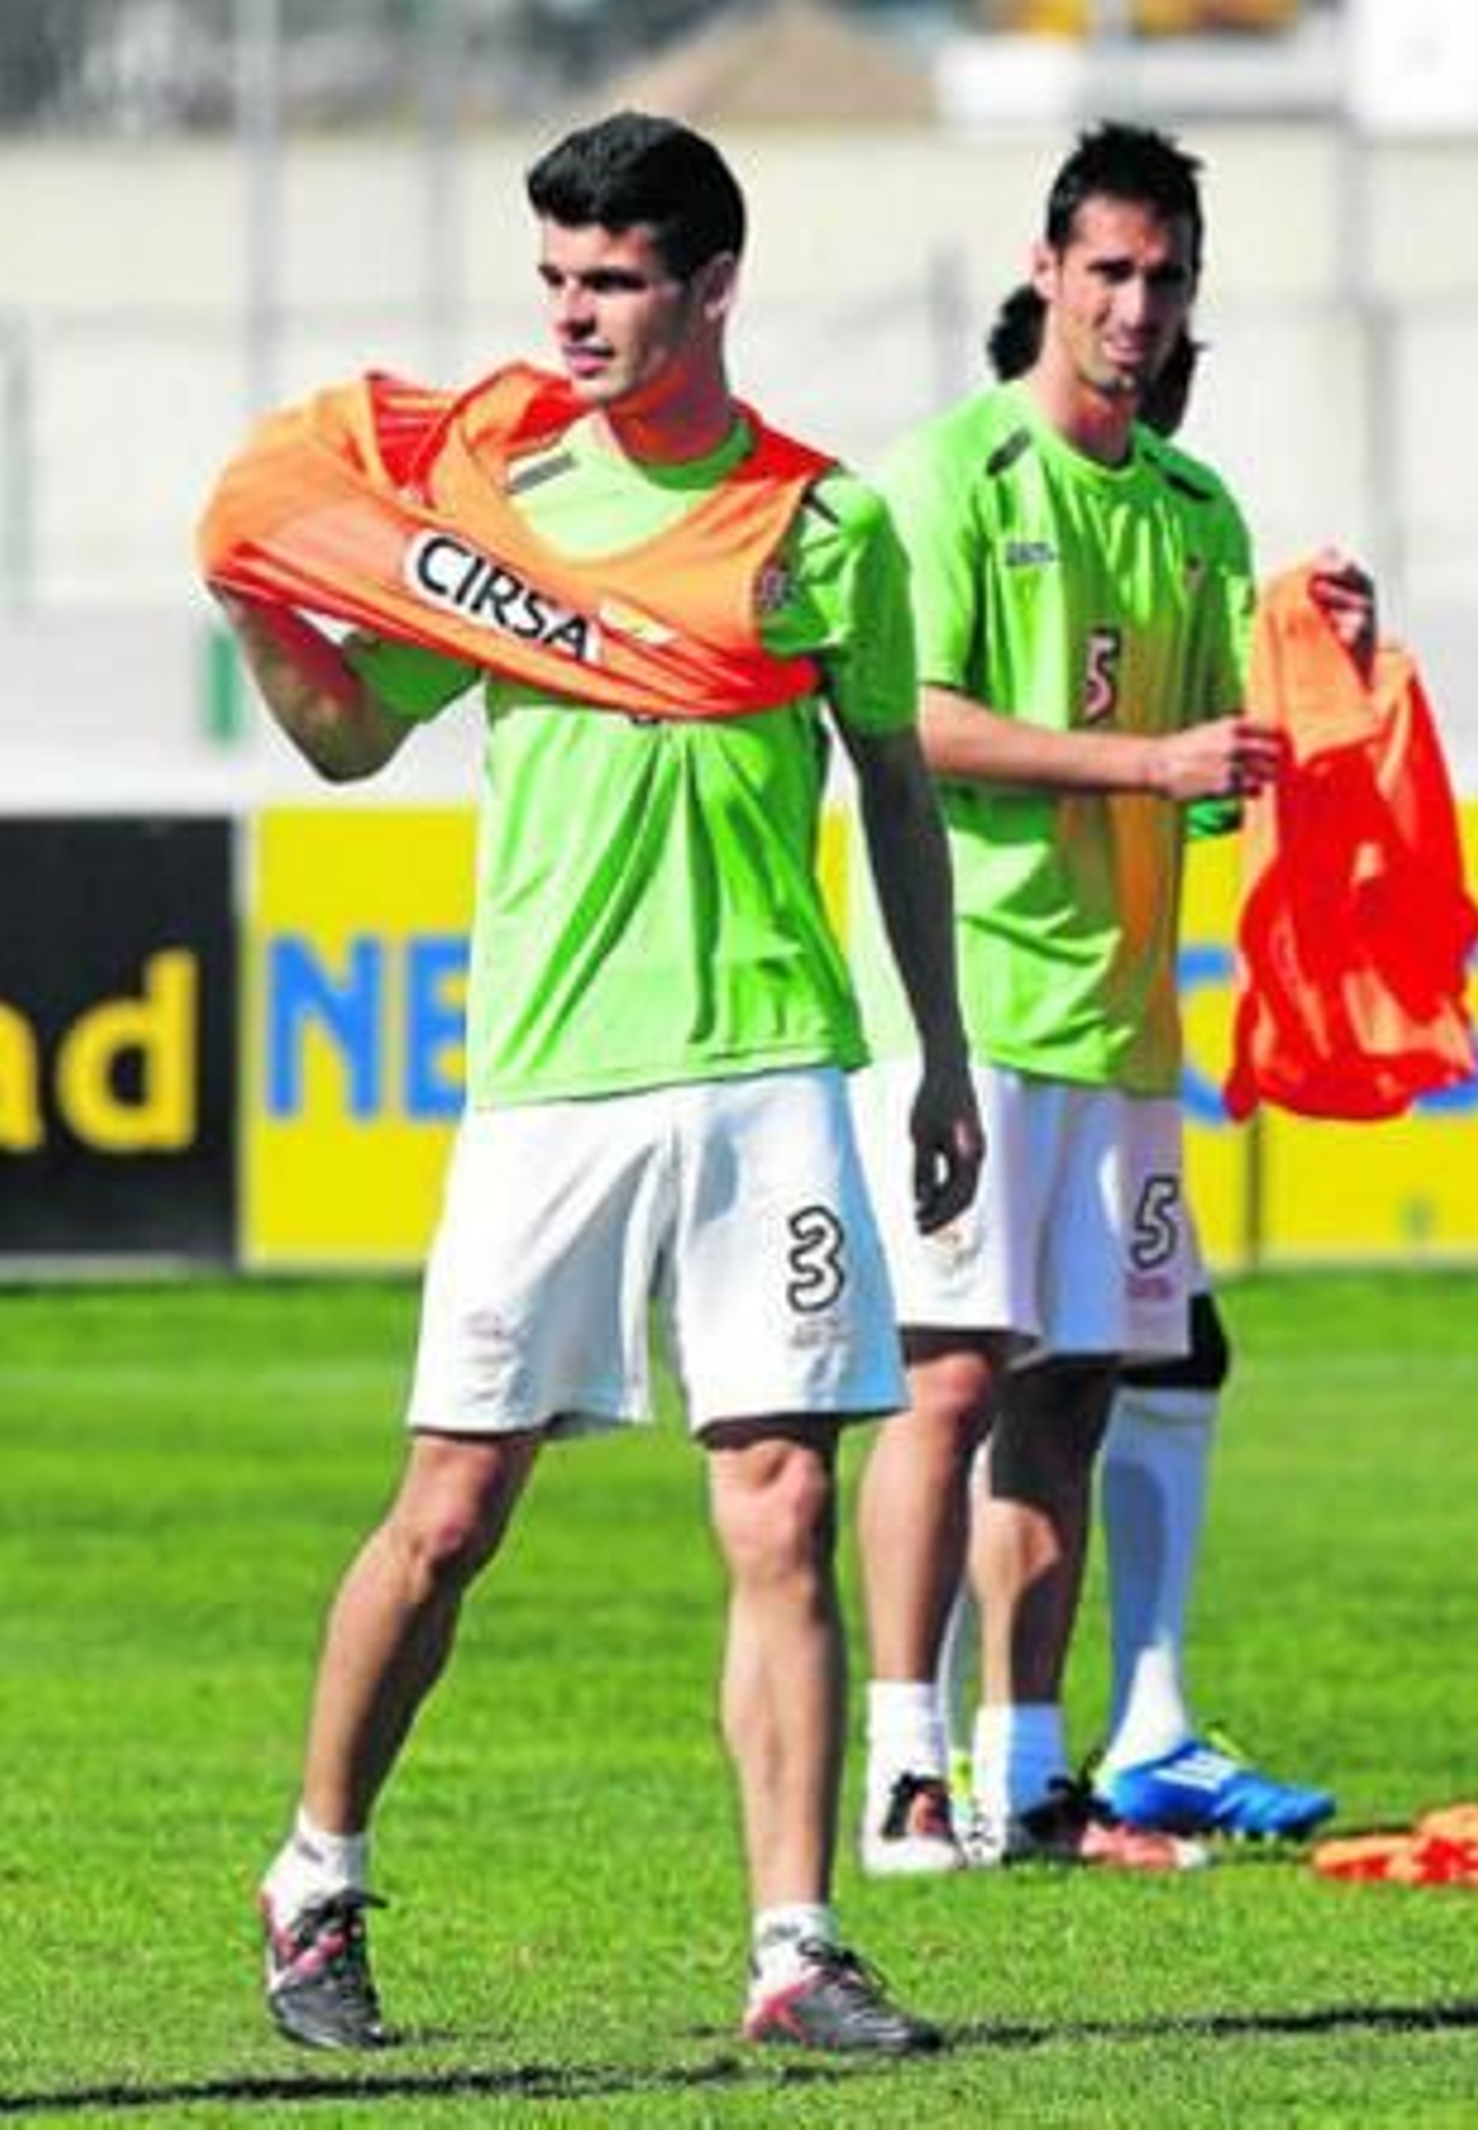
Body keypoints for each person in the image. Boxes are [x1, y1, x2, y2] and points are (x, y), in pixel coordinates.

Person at [206, 110, 982, 2055]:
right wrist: (252, 596)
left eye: (613, 280)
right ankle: (314, 1876)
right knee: (451, 1513)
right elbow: (348, 740)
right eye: (554, 277)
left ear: (711, 286)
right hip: (550, 1077)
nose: (572, 315)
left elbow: (895, 795)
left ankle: (794, 1949)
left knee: (780, 1504)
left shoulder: (823, 525)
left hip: (773, 1066)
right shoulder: (492, 501)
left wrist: (939, 1054)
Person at [848, 119, 1342, 1878]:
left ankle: (1033, 1776)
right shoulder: (951, 477)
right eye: (1111, 270)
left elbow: (1217, 775)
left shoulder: (1198, 513)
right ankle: (904, 1772)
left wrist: (1319, 659)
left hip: (1124, 1024)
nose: (1137, 307)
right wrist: (1150, 762)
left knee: (1071, 1396)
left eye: (1167, 276)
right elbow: (912, 723)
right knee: (948, 1385)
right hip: (966, 1015)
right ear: (1047, 270)